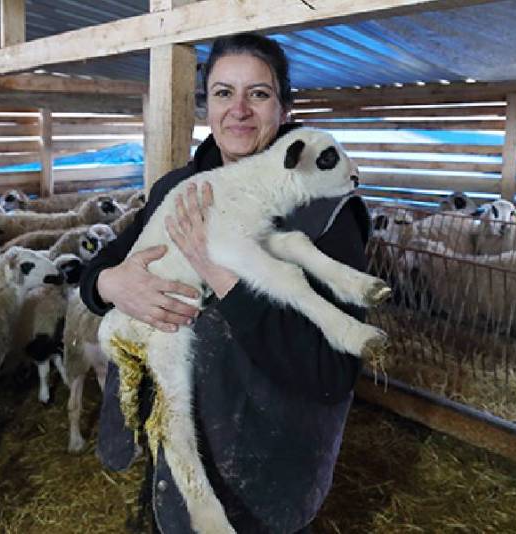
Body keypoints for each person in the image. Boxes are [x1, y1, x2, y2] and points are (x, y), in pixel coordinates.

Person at [79, 32, 372, 534]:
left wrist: (224, 276)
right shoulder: (179, 189)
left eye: (258, 94)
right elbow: (100, 267)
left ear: (284, 108)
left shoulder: (323, 214)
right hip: (174, 462)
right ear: (207, 106)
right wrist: (112, 283)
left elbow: (331, 373)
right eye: (223, 93)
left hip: (260, 473)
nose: (239, 110)